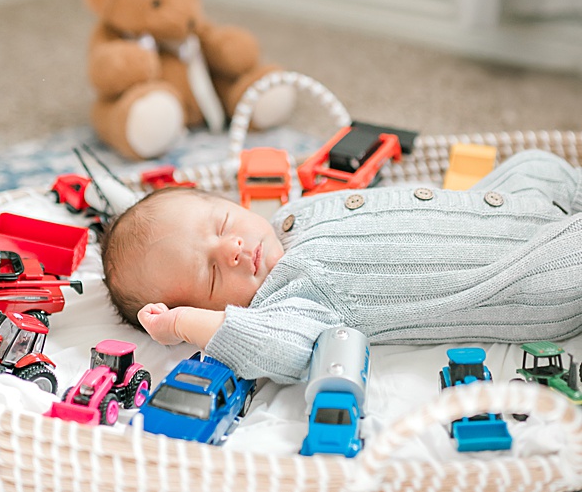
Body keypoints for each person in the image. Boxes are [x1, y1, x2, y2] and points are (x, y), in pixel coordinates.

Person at [104, 149, 582, 383]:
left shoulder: (289, 218)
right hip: (526, 275)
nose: (231, 248)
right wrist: (184, 324)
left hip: (501, 208)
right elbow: (280, 351)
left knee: (539, 163)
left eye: (224, 221)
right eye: (211, 274)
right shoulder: (289, 303)